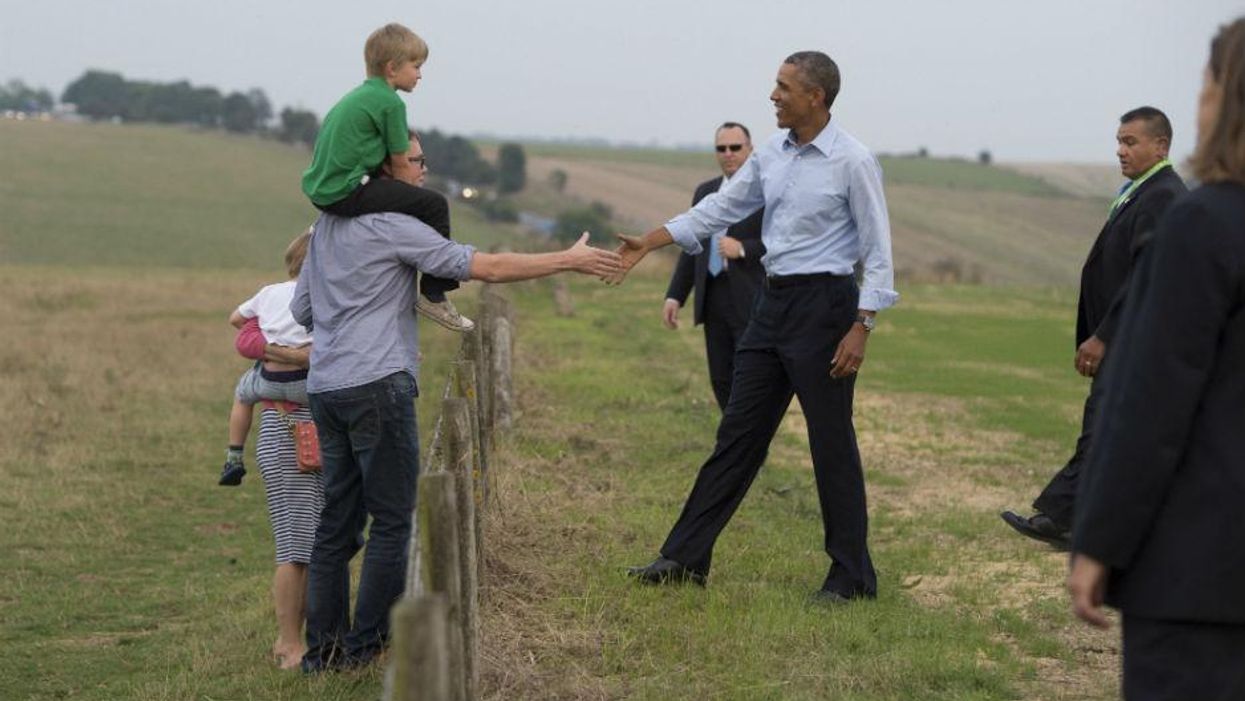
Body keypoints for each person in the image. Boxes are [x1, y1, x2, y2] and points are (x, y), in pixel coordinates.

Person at [612, 51, 898, 604]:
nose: (773, 95)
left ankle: (851, 577)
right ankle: (683, 558)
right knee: (736, 436)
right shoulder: (772, 154)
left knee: (831, 443)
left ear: (815, 96)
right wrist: (651, 241)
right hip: (772, 307)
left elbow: (878, 252)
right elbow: (718, 209)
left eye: (784, 87)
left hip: (826, 309)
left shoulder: (853, 161)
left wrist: (862, 324)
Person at [291, 209, 622, 672]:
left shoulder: (325, 227)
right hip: (376, 383)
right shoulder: (394, 226)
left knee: (336, 522)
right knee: (392, 520)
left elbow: (302, 311)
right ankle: (367, 648)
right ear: (392, 167)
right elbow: (489, 267)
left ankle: (322, 655)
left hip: (326, 386)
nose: (422, 170)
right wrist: (568, 259)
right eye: (415, 160)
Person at [1068, 18, 1245, 700]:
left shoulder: (1202, 225)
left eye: (1204, 83)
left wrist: (1098, 540)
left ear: (1225, 98)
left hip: (1202, 578)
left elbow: (1148, 401)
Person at [1000, 107, 1186, 548]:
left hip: (1133, 342)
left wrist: (1103, 335)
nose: (1121, 151)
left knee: (1103, 428)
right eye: (1119, 142)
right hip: (1130, 341)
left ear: (1161, 146)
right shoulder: (1143, 191)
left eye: (1131, 142)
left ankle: (1063, 518)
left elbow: (1146, 277)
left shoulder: (1161, 195)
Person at [301, 22, 472, 332]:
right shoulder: (391, 103)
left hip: (324, 189)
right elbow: (401, 164)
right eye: (416, 66)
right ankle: (434, 293)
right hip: (345, 191)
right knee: (434, 204)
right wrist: (413, 208)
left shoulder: (359, 96)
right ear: (392, 68)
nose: (420, 75)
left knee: (412, 201)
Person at [663, 121, 766, 411]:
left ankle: (744, 445)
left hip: (751, 300)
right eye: (722, 148)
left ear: (750, 149)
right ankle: (736, 445)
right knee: (721, 378)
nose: (728, 153)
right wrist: (675, 296)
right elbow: (690, 245)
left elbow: (784, 242)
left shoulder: (765, 193)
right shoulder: (705, 192)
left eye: (736, 147)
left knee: (748, 379)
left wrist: (744, 248)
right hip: (712, 297)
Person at [219, 231, 315, 486]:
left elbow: (235, 319)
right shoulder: (324, 294)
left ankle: (234, 456)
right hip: (307, 383)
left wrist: (267, 327)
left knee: (242, 395)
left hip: (270, 380)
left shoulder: (269, 292)